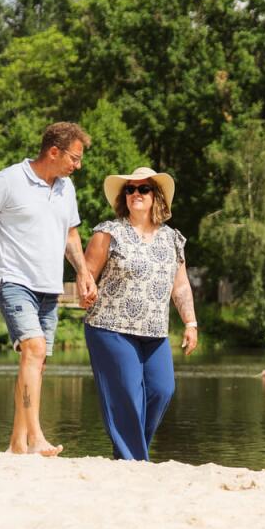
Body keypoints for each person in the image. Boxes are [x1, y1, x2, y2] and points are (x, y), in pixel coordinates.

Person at [0, 122, 95, 456]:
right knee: (34, 350)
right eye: (74, 158)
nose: (77, 165)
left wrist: (83, 272)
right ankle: (36, 437)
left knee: (37, 361)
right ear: (53, 151)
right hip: (13, 280)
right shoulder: (9, 180)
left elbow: (71, 235)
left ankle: (17, 443)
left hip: (48, 286)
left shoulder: (66, 189)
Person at [80, 167, 199, 461]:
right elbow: (86, 275)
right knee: (127, 394)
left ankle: (128, 452)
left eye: (143, 189)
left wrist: (190, 322)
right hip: (110, 326)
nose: (135, 194)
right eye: (130, 190)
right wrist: (86, 290)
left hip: (155, 331)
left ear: (156, 197)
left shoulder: (172, 239)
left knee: (162, 389)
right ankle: (134, 459)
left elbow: (180, 285)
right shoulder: (108, 233)